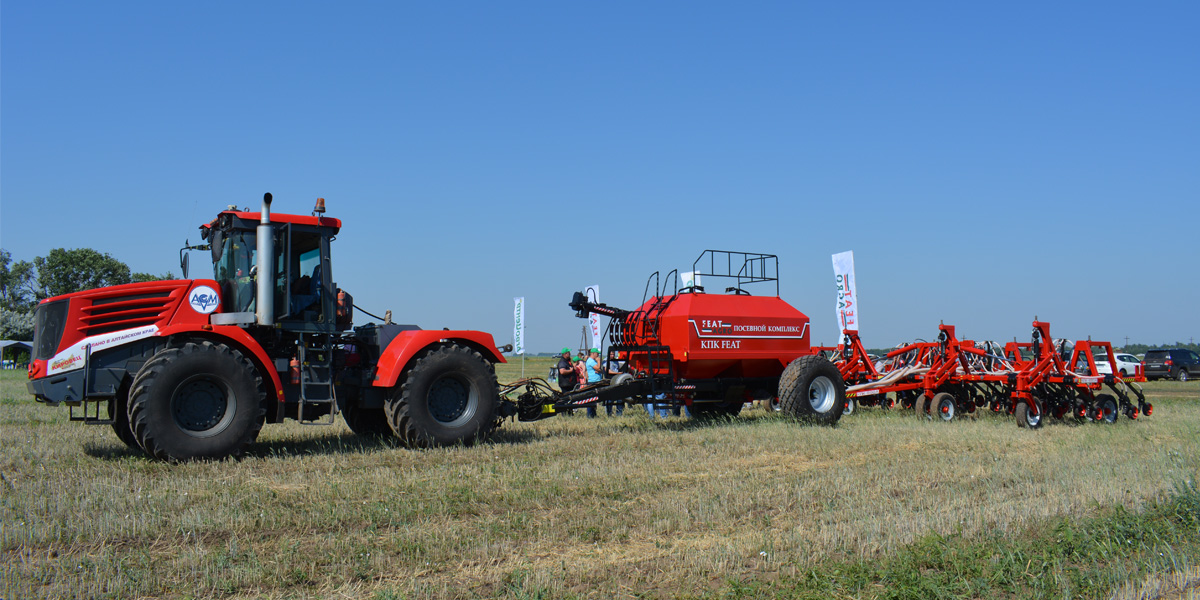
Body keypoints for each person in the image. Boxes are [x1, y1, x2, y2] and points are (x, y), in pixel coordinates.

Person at [604, 350, 626, 416]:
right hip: (610, 380)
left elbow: (619, 367)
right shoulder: (606, 361)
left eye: (613, 354)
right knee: (610, 398)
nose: (612, 356)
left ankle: (619, 413)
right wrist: (618, 373)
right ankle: (609, 413)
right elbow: (607, 370)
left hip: (617, 380)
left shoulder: (616, 361)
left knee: (619, 398)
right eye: (611, 354)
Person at [584, 348, 603, 418]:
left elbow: (599, 369)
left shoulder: (592, 361)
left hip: (596, 381)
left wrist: (599, 369)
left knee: (594, 399)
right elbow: (598, 368)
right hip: (593, 381)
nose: (598, 355)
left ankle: (593, 414)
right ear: (593, 353)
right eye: (597, 353)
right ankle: (590, 415)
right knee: (591, 399)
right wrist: (599, 361)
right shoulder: (591, 361)